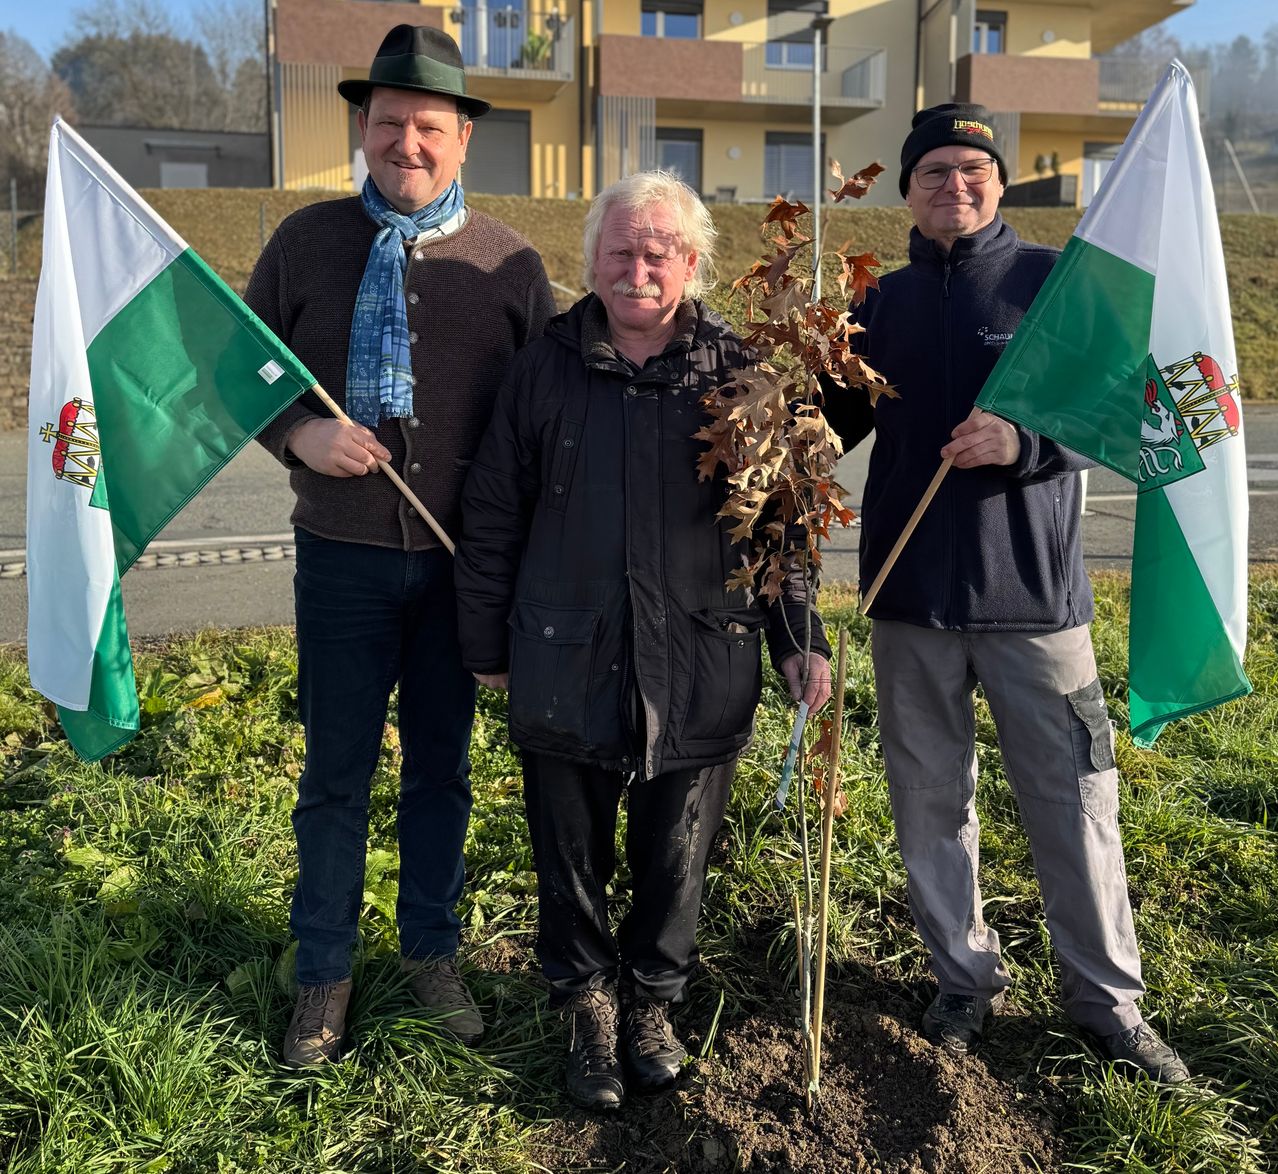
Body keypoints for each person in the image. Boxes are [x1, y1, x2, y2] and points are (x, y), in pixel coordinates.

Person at [825, 103, 1190, 1083]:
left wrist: (1026, 444)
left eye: (974, 168)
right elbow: (821, 436)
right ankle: (964, 975)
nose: (957, 183)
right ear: (908, 187)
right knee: (930, 803)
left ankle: (1107, 1002)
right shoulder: (878, 306)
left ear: (997, 181)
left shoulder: (1053, 288)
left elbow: (1131, 416)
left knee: (1075, 804)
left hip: (1038, 608)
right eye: (936, 169)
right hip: (910, 606)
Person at [454, 171, 833, 1111]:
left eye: (655, 252)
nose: (635, 269)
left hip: (703, 654)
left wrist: (798, 638)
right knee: (568, 847)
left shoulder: (739, 373)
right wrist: (484, 640)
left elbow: (779, 529)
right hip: (564, 648)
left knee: (677, 851)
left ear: (691, 264)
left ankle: (652, 998)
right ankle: (583, 997)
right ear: (590, 263)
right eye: (618, 252)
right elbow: (494, 509)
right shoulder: (543, 365)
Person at [245, 24, 555, 1067]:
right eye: (388, 123)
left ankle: (431, 949)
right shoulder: (305, 241)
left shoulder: (511, 263)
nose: (406, 142)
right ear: (362, 129)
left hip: (460, 571)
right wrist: (301, 431)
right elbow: (246, 378)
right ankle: (323, 974)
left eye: (429, 125)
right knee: (334, 774)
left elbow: (540, 418)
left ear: (463, 137)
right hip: (338, 560)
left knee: (442, 770)